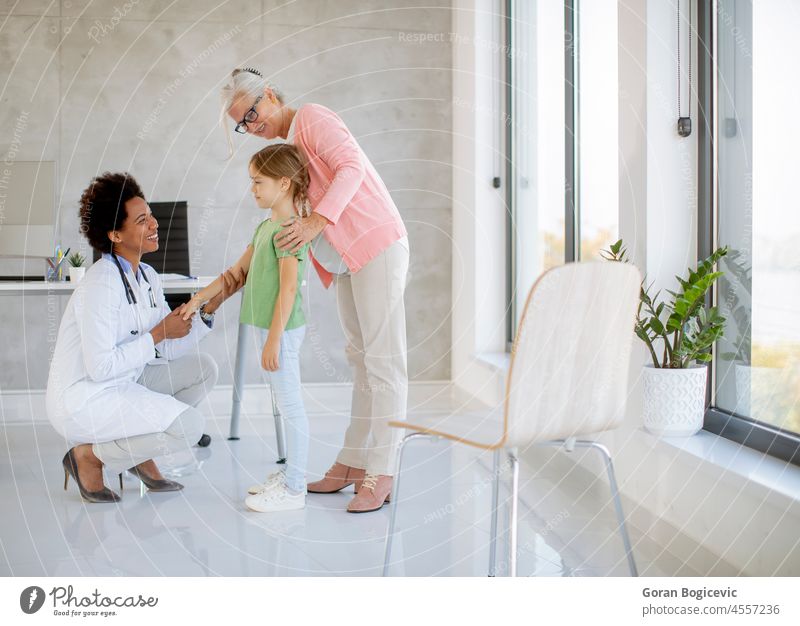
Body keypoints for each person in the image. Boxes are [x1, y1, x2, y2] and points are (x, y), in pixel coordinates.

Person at [220, 67, 410, 513]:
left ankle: (380, 470)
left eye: (251, 113)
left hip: (376, 244)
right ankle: (351, 461)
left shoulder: (313, 117)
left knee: (383, 363)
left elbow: (352, 167)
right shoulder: (290, 144)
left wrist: (315, 223)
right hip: (348, 257)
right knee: (361, 359)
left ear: (269, 94)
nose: (251, 127)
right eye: (242, 124)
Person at [46, 172, 241, 502]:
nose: (154, 224)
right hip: (85, 399)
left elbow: (166, 350)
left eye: (151, 215)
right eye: (142, 220)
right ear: (115, 235)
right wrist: (157, 333)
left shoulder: (147, 276)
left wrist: (208, 310)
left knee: (203, 368)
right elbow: (101, 368)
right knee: (189, 426)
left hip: (124, 382)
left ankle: (135, 449)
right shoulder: (100, 283)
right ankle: (89, 457)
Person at [183, 144, 311, 512]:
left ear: (284, 184)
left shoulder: (288, 231)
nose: (252, 189)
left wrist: (273, 340)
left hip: (281, 331)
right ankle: (290, 479)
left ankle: (295, 488)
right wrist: (198, 300)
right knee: (285, 402)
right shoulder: (265, 227)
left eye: (259, 181)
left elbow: (289, 287)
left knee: (291, 406)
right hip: (272, 330)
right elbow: (236, 275)